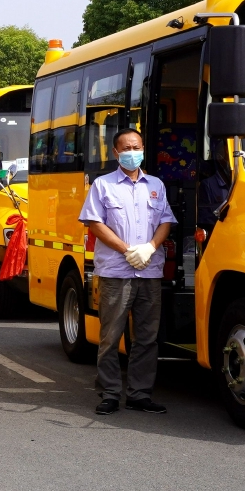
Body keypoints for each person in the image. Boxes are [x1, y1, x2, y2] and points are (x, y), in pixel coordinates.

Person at [80, 128, 174, 416]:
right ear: (116, 153)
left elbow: (166, 221)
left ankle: (139, 394)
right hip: (116, 273)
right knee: (110, 336)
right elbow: (95, 223)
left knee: (146, 337)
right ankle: (109, 394)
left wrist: (149, 248)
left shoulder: (156, 185)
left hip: (148, 271)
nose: (133, 152)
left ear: (143, 149)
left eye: (137, 146)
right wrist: (126, 251)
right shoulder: (103, 185)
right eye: (126, 148)